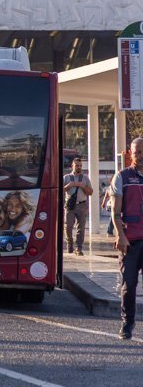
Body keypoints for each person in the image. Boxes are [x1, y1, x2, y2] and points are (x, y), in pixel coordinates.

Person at [112, 137, 143, 339]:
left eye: (142, 151)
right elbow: (115, 213)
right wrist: (121, 236)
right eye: (136, 152)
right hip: (130, 241)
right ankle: (127, 324)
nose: (140, 155)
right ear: (130, 153)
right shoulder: (122, 176)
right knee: (129, 285)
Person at [63, 156, 93, 255]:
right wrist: (69, 186)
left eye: (80, 166)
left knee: (81, 228)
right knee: (68, 227)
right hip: (70, 206)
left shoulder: (85, 178)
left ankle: (78, 248)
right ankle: (69, 244)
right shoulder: (66, 177)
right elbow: (59, 190)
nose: (79, 167)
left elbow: (90, 192)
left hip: (82, 205)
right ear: (72, 166)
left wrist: (83, 186)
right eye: (77, 165)